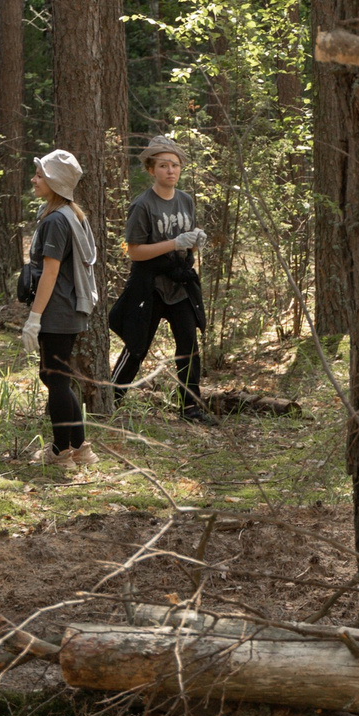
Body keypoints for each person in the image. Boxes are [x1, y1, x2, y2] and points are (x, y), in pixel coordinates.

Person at [110, 135, 219, 426]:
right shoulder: (142, 205)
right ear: (151, 169)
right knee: (137, 346)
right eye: (163, 165)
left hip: (180, 284)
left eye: (175, 165)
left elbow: (186, 245)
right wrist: (174, 243)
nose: (170, 170)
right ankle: (110, 400)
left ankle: (190, 408)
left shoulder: (185, 200)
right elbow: (134, 251)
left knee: (189, 346)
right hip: (150, 285)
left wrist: (193, 243)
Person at [20, 149, 101, 467]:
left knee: (55, 379)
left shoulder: (56, 220)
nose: (34, 179)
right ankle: (80, 449)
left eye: (40, 175)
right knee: (57, 378)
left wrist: (34, 318)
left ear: (54, 182)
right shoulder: (70, 214)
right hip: (68, 309)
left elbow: (50, 272)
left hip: (57, 310)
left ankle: (60, 452)